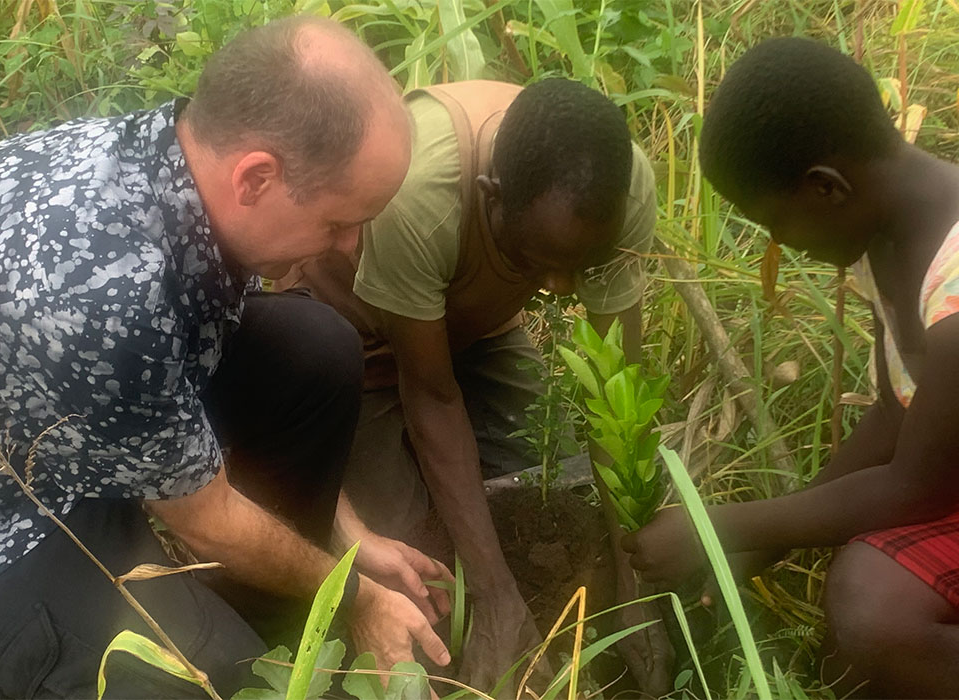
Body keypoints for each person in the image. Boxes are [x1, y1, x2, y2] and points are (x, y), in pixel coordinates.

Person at [0, 16, 454, 699]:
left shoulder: (176, 156)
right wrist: (357, 596)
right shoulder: (102, 289)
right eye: (337, 221)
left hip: (54, 414)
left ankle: (260, 620)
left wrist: (348, 544)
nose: (352, 246)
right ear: (256, 178)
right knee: (217, 682)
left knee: (315, 352)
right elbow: (204, 519)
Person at [623, 37, 959, 699]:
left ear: (825, 189)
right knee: (850, 646)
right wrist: (761, 545)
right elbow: (901, 413)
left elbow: (922, 486)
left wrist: (723, 527)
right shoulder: (887, 239)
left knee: (872, 600)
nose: (781, 248)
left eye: (776, 224)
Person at [277, 77, 671, 692]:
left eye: (580, 265)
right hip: (356, 349)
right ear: (493, 197)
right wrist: (493, 598)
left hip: (472, 330)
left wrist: (634, 582)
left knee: (564, 492)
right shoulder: (422, 194)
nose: (562, 289)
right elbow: (429, 392)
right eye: (536, 260)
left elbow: (614, 387)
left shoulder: (622, 189)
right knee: (430, 582)